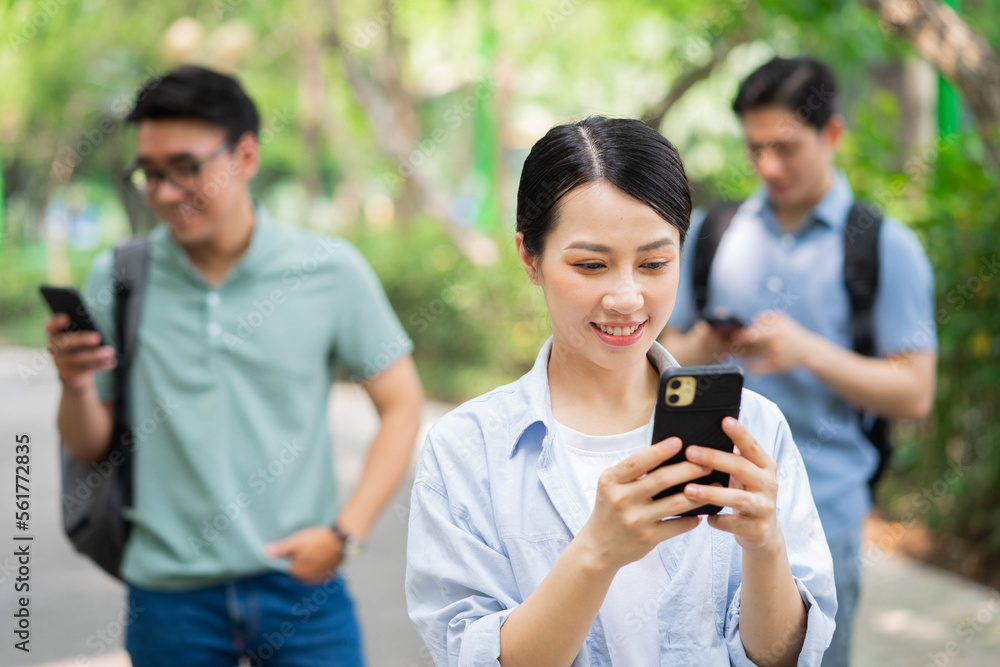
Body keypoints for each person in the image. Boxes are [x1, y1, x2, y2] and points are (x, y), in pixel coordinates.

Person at [405, 116, 835, 666]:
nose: (628, 297)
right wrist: (597, 552)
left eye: (655, 263)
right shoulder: (467, 451)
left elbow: (783, 656)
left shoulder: (754, 427)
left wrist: (765, 544)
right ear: (529, 258)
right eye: (591, 265)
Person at [44, 65, 423, 666]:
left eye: (186, 168)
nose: (165, 193)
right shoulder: (119, 277)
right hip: (169, 596)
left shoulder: (329, 270)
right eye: (150, 173)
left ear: (245, 155)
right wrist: (75, 383)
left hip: (302, 588)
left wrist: (345, 534)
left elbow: (401, 405)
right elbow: (90, 445)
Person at [661, 56, 937, 666]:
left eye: (785, 147)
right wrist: (706, 344)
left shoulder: (884, 246)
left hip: (822, 514)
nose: (768, 166)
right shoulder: (713, 231)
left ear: (832, 134)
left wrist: (807, 351)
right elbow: (657, 361)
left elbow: (915, 391)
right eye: (755, 148)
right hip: (704, 510)